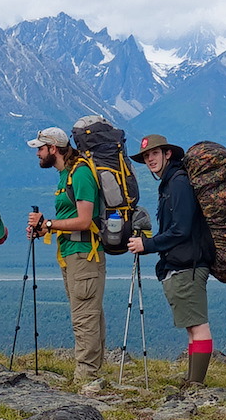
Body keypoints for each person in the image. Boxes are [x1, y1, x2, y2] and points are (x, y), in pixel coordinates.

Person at [126, 134, 215, 388]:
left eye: (154, 153)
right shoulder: (170, 183)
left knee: (197, 324)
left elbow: (181, 229)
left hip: (188, 264)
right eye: (146, 156)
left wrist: (148, 244)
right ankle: (192, 379)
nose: (149, 159)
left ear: (168, 154)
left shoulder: (177, 183)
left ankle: (195, 384)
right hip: (183, 263)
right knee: (191, 325)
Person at [25, 127, 107, 392]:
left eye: (40, 148)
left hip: (84, 253)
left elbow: (85, 220)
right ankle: (91, 372)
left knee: (83, 315)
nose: (37, 153)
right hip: (72, 254)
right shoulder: (65, 176)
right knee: (87, 312)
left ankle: (86, 376)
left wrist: (48, 223)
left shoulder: (80, 173)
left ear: (54, 148)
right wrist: (45, 228)